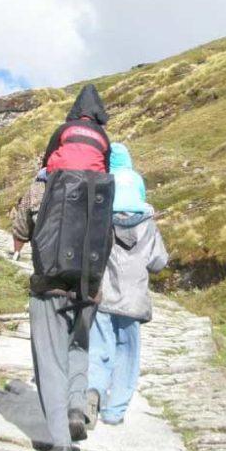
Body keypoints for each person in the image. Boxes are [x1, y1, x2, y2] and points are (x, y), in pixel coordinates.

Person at [11, 84, 111, 451]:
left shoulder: (42, 186)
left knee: (49, 357)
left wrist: (19, 245)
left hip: (49, 281)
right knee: (79, 348)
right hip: (89, 285)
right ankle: (75, 408)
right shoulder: (106, 188)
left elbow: (21, 225)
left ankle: (59, 443)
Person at [87, 142, 168, 427]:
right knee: (127, 354)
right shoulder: (148, 224)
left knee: (99, 347)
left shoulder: (101, 218)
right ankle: (115, 411)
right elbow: (159, 262)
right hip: (134, 301)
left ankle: (92, 392)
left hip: (104, 296)